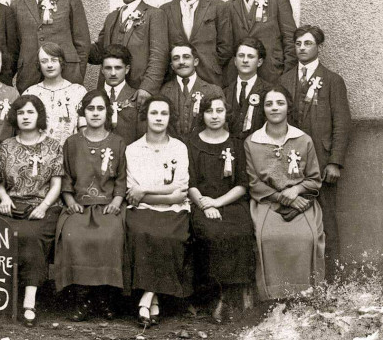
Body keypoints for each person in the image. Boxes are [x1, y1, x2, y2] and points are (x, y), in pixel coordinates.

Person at [280, 25, 350, 280]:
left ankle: (332, 279)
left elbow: (342, 123)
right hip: (290, 161)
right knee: (291, 215)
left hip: (321, 161)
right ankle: (297, 279)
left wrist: (335, 162)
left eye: (307, 43)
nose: (302, 48)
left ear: (318, 47)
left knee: (326, 219)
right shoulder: (285, 80)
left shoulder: (332, 80)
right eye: (298, 43)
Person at [245, 85, 324, 299]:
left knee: (306, 237)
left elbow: (314, 179)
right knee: (268, 237)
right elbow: (255, 184)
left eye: (280, 103)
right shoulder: (252, 142)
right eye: (269, 104)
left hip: (301, 201)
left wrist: (296, 189)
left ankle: (305, 293)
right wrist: (284, 198)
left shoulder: (303, 139)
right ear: (263, 108)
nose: (274, 108)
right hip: (268, 202)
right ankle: (273, 295)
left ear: (288, 106)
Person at [55, 90, 126, 322]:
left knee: (110, 235)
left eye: (100, 108)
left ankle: (103, 297)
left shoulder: (117, 142)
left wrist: (116, 200)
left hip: (107, 206)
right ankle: (82, 299)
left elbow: (122, 178)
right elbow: (65, 176)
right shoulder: (72, 142)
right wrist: (70, 201)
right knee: (73, 235)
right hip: (79, 205)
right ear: (83, 112)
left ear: (108, 112)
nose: (95, 113)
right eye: (90, 109)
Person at [124, 94, 193, 328]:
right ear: (145, 116)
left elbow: (180, 193)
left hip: (174, 210)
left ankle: (146, 298)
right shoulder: (133, 149)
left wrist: (145, 190)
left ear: (170, 117)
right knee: (141, 234)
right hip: (141, 209)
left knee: (169, 237)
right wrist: (152, 193)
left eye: (164, 113)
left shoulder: (178, 148)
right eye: (154, 113)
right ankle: (153, 302)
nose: (159, 118)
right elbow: (132, 193)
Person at [0, 95, 63, 327]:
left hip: (43, 207)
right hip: (12, 206)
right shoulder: (6, 145)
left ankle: (29, 301)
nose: (25, 117)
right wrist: (4, 198)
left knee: (31, 236)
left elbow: (56, 184)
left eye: (31, 112)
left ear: (39, 116)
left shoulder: (53, 145)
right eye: (21, 113)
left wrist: (44, 206)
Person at [187, 95, 255, 322]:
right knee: (212, 232)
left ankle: (236, 291)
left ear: (226, 114)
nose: (214, 116)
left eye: (219, 110)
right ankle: (216, 295)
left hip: (231, 202)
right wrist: (205, 204)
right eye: (209, 111)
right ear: (202, 115)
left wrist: (218, 202)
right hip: (202, 203)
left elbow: (243, 185)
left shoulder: (236, 143)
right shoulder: (192, 143)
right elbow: (190, 184)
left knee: (241, 231)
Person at [11, 0, 90, 93]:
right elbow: (14, 47)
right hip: (30, 76)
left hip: (67, 75)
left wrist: (77, 72)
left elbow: (83, 42)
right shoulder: (17, 4)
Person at [89, 0, 168, 105]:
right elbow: (98, 53)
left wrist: (147, 88)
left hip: (139, 92)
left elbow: (159, 55)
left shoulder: (154, 15)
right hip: (109, 92)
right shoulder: (111, 17)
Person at [161, 0, 232, 87]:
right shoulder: (165, 10)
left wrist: (210, 64)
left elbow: (226, 47)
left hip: (209, 77)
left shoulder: (218, 7)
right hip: (175, 79)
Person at [227, 0, 296, 84]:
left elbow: (290, 40)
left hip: (272, 74)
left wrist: (286, 75)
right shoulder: (229, 5)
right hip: (239, 77)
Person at [22, 42, 87, 146]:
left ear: (61, 62)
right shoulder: (30, 93)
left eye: (54, 60)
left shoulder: (78, 92)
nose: (49, 65)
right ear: (39, 64)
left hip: (69, 152)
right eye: (44, 61)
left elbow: (85, 130)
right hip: (38, 155)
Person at [160, 42, 223, 139]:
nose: (181, 62)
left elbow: (222, 129)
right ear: (172, 66)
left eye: (186, 57)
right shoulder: (164, 91)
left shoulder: (213, 91)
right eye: (176, 58)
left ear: (196, 62)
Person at [224, 37, 271, 140]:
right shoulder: (225, 92)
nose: (245, 60)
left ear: (259, 62)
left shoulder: (268, 92)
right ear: (235, 61)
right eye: (241, 56)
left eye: (250, 56)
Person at [100, 44, 140, 143]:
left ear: (127, 69)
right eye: (108, 68)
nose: (113, 73)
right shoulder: (94, 97)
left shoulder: (136, 97)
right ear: (102, 70)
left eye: (118, 68)